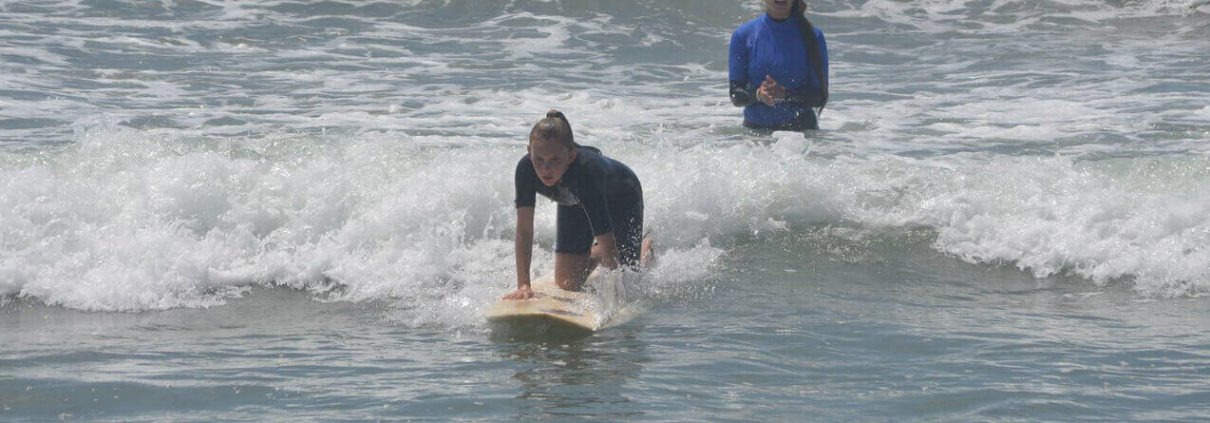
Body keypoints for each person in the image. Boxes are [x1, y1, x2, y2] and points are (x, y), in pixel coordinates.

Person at [504, 110, 652, 300]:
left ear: (571, 155)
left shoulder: (586, 173)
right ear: (529, 152)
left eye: (555, 160)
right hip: (575, 200)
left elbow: (606, 237)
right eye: (539, 159)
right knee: (567, 283)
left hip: (622, 196)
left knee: (628, 277)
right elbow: (524, 230)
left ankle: (645, 247)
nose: (545, 169)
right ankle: (599, 252)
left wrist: (613, 293)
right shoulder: (525, 169)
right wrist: (524, 285)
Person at [729, 0, 829, 131]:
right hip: (755, 137)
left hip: (801, 136)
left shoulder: (813, 36)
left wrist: (785, 94)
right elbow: (736, 95)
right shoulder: (743, 35)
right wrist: (759, 94)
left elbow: (819, 97)